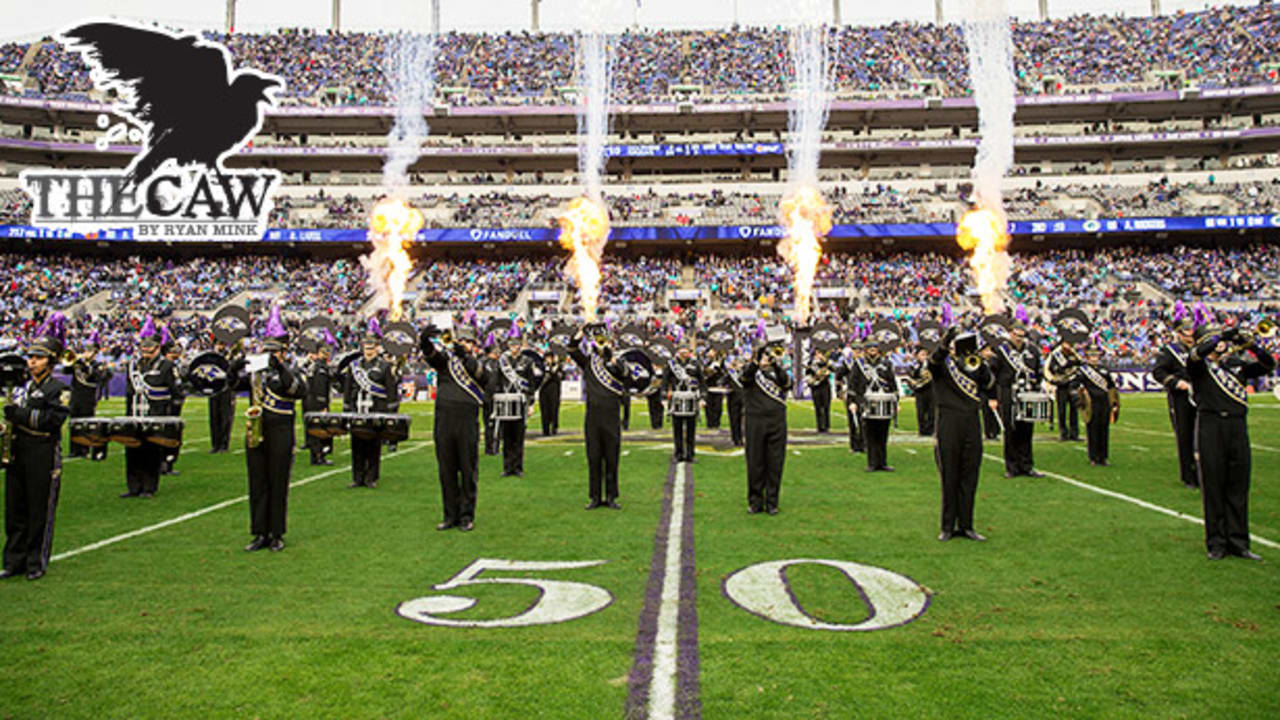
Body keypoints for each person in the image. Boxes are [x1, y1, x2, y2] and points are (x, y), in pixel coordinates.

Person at [1188, 325, 1275, 561]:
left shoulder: (1236, 365)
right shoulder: (1199, 367)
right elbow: (1196, 353)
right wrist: (1221, 336)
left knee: (1238, 484)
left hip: (1237, 426)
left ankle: (1239, 542)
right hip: (1211, 425)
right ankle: (1216, 542)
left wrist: (1251, 345)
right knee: (1214, 485)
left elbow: (1269, 365)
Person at [2, 314, 70, 580]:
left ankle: (35, 561)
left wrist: (17, 416)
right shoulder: (23, 388)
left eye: (38, 358)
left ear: (51, 361)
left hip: (43, 450)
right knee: (14, 508)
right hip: (19, 450)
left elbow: (52, 421)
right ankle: (13, 560)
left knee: (39, 508)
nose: (32, 362)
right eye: (30, 357)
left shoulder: (58, 389)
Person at [241, 308, 306, 552]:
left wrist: (279, 367)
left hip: (281, 430)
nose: (268, 355)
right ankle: (259, 533)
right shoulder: (255, 373)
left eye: (273, 351)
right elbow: (229, 382)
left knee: (278, 482)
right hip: (257, 429)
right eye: (266, 350)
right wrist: (236, 361)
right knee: (257, 483)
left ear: (283, 352)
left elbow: (299, 390)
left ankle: (277, 533)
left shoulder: (292, 370)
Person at [931, 327, 996, 542]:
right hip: (949, 421)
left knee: (970, 473)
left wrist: (979, 361)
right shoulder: (942, 366)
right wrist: (944, 342)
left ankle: (967, 525)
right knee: (949, 474)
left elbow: (988, 384)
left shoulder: (972, 365)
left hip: (971, 421)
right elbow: (933, 362)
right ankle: (948, 526)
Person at [420, 323, 486, 532]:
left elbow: (484, 378)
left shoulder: (477, 362)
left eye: (468, 341)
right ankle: (450, 515)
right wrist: (424, 341)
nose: (463, 344)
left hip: (467, 421)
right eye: (461, 340)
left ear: (473, 345)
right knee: (446, 470)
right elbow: (432, 356)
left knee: (467, 469)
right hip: (444, 419)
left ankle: (466, 516)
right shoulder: (445, 362)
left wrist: (465, 356)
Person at [569, 324, 627, 510]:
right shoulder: (588, 363)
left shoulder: (617, 361)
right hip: (592, 417)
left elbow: (626, 375)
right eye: (599, 340)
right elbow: (571, 349)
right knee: (593, 458)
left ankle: (611, 496)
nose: (601, 344)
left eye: (604, 340)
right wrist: (580, 334)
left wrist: (613, 359)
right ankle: (595, 497)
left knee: (611, 458)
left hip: (611, 416)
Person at [123, 318, 176, 499]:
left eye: (149, 347)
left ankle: (148, 487)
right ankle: (133, 487)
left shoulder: (166, 366)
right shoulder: (133, 366)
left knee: (150, 453)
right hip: (135, 415)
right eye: (143, 347)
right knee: (132, 452)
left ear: (157, 347)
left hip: (155, 415)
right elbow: (129, 392)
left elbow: (175, 391)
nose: (145, 350)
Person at [742, 339, 791, 515]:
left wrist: (776, 363)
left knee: (775, 462)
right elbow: (745, 378)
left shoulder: (777, 373)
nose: (766, 359)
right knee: (755, 462)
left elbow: (787, 384)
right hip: (755, 421)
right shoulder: (750, 371)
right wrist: (757, 361)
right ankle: (755, 501)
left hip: (777, 421)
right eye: (764, 355)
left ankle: (772, 502)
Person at [342, 323, 392, 489]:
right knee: (357, 445)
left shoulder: (384, 367)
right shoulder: (354, 366)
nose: (368, 350)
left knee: (373, 446)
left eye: (371, 347)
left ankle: (371, 477)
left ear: (377, 348)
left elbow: (390, 391)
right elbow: (348, 389)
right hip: (357, 410)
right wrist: (346, 407)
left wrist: (389, 412)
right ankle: (357, 477)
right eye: (366, 347)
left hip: (375, 410)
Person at [1150, 319, 1199, 489]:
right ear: (1179, 334)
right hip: (1181, 397)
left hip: (1202, 395)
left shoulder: (1199, 350)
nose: (1190, 338)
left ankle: (1203, 473)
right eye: (1186, 335)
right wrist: (1176, 383)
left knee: (1202, 435)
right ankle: (1189, 476)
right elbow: (1158, 372)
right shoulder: (1170, 352)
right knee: (1185, 436)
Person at [991, 323, 1043, 478]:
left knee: (1027, 430)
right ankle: (1012, 467)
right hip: (1008, 393)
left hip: (1027, 393)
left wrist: (1037, 387)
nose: (1019, 339)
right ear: (1010, 334)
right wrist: (993, 396)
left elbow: (1038, 371)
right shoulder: (1001, 351)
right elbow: (993, 373)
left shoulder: (1032, 350)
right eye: (1016, 335)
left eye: (1022, 336)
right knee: (1011, 429)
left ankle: (1027, 465)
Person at [851, 340, 898, 472]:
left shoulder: (886, 364)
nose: (873, 350)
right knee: (870, 433)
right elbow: (853, 383)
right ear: (866, 350)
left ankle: (882, 462)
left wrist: (896, 402)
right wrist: (852, 402)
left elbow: (892, 382)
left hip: (885, 401)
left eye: (875, 348)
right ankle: (872, 462)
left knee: (883, 434)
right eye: (870, 348)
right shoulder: (859, 364)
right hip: (866, 402)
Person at [64, 339, 109, 461]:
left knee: (86, 424)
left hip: (88, 398)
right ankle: (74, 450)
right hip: (75, 397)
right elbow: (66, 370)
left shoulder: (97, 365)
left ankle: (85, 449)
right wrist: (72, 361)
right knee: (74, 424)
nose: (86, 353)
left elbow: (95, 376)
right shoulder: (78, 363)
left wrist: (83, 364)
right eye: (86, 350)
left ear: (95, 353)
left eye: (89, 351)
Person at [496, 339, 533, 478]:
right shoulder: (503, 361)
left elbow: (531, 383)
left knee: (518, 436)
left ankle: (518, 467)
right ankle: (507, 467)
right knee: (506, 436)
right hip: (506, 401)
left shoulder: (527, 361)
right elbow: (498, 381)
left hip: (520, 401)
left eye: (516, 345)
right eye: (512, 345)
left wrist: (531, 404)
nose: (514, 348)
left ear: (520, 346)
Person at [1077, 346, 1118, 466]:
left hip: (1104, 402)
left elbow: (1111, 387)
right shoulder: (1083, 371)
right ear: (1088, 357)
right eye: (1092, 356)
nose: (1094, 359)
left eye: (1096, 356)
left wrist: (1114, 403)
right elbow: (1077, 385)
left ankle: (1103, 457)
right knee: (1092, 430)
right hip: (1091, 403)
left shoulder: (1104, 370)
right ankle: (1093, 457)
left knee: (1104, 429)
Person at [664, 341, 704, 463]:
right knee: (677, 428)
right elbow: (665, 382)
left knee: (691, 428)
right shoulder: (671, 364)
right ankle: (678, 453)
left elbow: (702, 381)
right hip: (677, 398)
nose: (684, 353)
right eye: (682, 350)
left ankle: (690, 454)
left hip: (691, 398)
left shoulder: (695, 364)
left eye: (686, 351)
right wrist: (663, 397)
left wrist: (702, 398)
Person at [303, 343, 333, 465]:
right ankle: (319, 456)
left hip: (310, 401)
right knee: (320, 430)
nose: (327, 355)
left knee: (314, 429)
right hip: (317, 402)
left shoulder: (313, 366)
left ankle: (315, 456)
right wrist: (323, 406)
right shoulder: (320, 368)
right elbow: (321, 388)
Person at [1046, 339, 1081, 441]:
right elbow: (1054, 368)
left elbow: (1080, 363)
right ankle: (1063, 433)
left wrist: (1073, 357)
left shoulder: (1073, 354)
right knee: (1062, 411)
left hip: (1072, 384)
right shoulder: (1056, 355)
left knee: (1074, 410)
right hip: (1061, 385)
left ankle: (1074, 434)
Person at [159, 339, 185, 476]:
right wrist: (179, 396)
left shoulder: (167, 365)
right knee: (169, 433)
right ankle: (166, 463)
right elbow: (174, 385)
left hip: (167, 403)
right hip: (169, 403)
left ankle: (165, 462)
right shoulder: (167, 366)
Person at [208, 340, 238, 453]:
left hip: (226, 390)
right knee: (214, 417)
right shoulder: (211, 358)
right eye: (218, 344)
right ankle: (215, 444)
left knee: (225, 417)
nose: (220, 347)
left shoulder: (230, 357)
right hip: (214, 390)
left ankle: (224, 444)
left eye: (222, 344)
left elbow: (234, 374)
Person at [836, 344, 865, 454]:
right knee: (853, 420)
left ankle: (863, 444)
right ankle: (854, 445)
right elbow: (838, 376)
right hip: (850, 393)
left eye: (859, 351)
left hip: (862, 393)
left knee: (864, 419)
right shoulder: (847, 363)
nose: (857, 353)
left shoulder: (864, 364)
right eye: (855, 351)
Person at [907, 346, 935, 436]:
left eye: (926, 355)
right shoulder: (914, 365)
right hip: (920, 391)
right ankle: (922, 430)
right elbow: (912, 376)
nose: (925, 357)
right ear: (917, 356)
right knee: (921, 412)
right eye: (922, 355)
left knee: (932, 412)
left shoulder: (930, 364)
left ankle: (931, 430)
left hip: (931, 390)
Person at [806, 349, 833, 433]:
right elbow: (807, 374)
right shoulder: (811, 363)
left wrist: (826, 362)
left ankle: (827, 426)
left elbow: (833, 369)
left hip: (825, 386)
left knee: (826, 406)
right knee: (817, 407)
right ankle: (819, 426)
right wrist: (812, 380)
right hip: (816, 387)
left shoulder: (826, 362)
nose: (818, 355)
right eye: (816, 354)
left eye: (819, 353)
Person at [482, 345, 501, 455]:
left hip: (492, 396)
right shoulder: (486, 363)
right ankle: (492, 447)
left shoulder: (498, 363)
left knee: (493, 423)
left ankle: (492, 447)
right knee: (492, 423)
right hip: (490, 397)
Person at [539, 350, 562, 436]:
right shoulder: (541, 367)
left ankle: (554, 427)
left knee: (554, 410)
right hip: (543, 391)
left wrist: (555, 366)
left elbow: (560, 376)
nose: (548, 359)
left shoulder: (557, 366)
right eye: (547, 358)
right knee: (544, 411)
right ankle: (545, 429)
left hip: (554, 391)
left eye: (550, 358)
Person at [703, 350, 726, 429]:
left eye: (712, 352)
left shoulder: (721, 362)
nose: (710, 354)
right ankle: (709, 424)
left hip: (718, 388)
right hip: (708, 388)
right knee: (708, 407)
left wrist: (719, 370)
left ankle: (716, 424)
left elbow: (724, 374)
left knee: (717, 407)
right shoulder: (705, 362)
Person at [726, 353, 745, 447]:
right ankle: (735, 438)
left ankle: (741, 438)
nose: (740, 365)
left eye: (741, 363)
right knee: (734, 420)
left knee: (743, 421)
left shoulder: (745, 374)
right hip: (732, 399)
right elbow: (721, 381)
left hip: (744, 399)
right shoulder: (730, 374)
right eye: (738, 363)